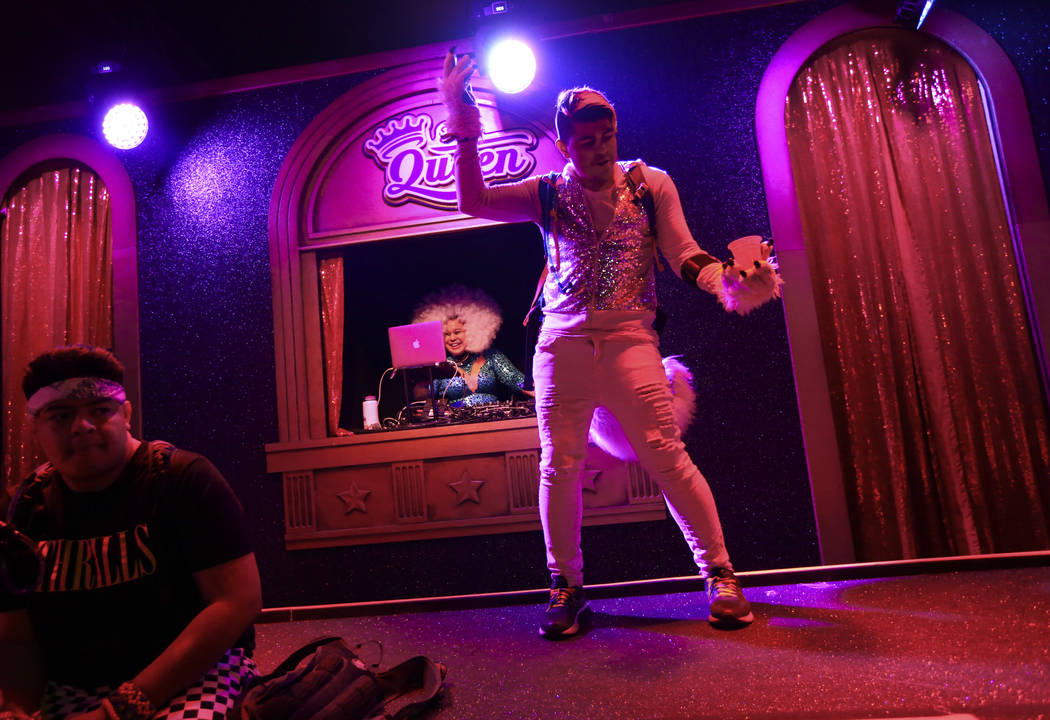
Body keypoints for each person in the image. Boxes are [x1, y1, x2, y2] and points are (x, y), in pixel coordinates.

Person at [439, 50, 782, 636]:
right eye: (588, 141)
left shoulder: (650, 184)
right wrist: (462, 125)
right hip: (563, 342)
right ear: (564, 142)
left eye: (608, 137)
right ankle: (565, 586)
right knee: (559, 466)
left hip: (628, 336)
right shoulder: (546, 192)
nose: (600, 149)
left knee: (667, 458)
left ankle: (720, 574)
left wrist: (725, 281)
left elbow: (682, 252)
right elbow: (472, 200)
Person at [0, 346, 261, 720]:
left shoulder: (183, 480)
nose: (82, 426)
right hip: (73, 687)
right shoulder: (20, 510)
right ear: (36, 428)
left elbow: (237, 602)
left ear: (126, 414)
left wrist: (118, 709)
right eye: (60, 415)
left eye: (100, 410)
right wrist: (15, 708)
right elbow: (16, 637)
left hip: (197, 675)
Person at [412, 284, 532, 408]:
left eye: (457, 332)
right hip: (454, 425)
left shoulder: (491, 356)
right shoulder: (440, 366)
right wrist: (421, 373)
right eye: (447, 334)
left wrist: (544, 394)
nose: (452, 338)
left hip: (493, 421)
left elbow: (515, 379)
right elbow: (419, 395)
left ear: (472, 331)